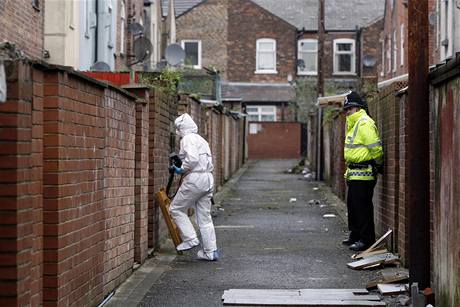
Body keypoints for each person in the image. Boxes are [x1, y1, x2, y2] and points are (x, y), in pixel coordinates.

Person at [169, 113, 219, 261]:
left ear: (182, 128)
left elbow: (192, 159)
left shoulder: (188, 139)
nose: (178, 132)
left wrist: (181, 169)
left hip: (196, 178)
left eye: (178, 129)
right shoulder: (201, 139)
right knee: (205, 218)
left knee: (175, 208)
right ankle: (211, 251)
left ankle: (190, 238)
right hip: (208, 178)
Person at [341, 91, 383, 252]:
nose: (347, 113)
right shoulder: (354, 124)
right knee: (353, 206)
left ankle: (366, 240)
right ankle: (356, 235)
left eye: (349, 109)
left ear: (358, 108)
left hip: (364, 173)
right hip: (355, 173)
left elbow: (375, 148)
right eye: (345, 110)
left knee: (363, 208)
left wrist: (378, 164)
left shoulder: (364, 123)